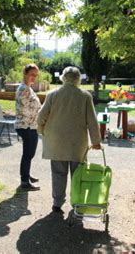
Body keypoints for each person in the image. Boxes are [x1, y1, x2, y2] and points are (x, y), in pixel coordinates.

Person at [37, 66, 101, 213]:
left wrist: (41, 131)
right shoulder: (85, 96)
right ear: (78, 79)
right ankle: (77, 203)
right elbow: (92, 121)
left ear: (63, 78)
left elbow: (41, 116)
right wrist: (96, 141)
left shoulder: (52, 94)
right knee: (78, 175)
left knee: (58, 173)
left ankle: (57, 203)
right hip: (77, 143)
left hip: (56, 141)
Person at [15, 64, 42, 191]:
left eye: (36, 75)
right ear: (25, 73)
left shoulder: (28, 88)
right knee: (28, 154)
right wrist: (39, 113)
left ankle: (26, 175)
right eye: (32, 74)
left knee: (29, 153)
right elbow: (24, 109)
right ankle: (24, 181)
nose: (34, 77)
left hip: (31, 126)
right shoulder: (24, 89)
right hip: (26, 126)